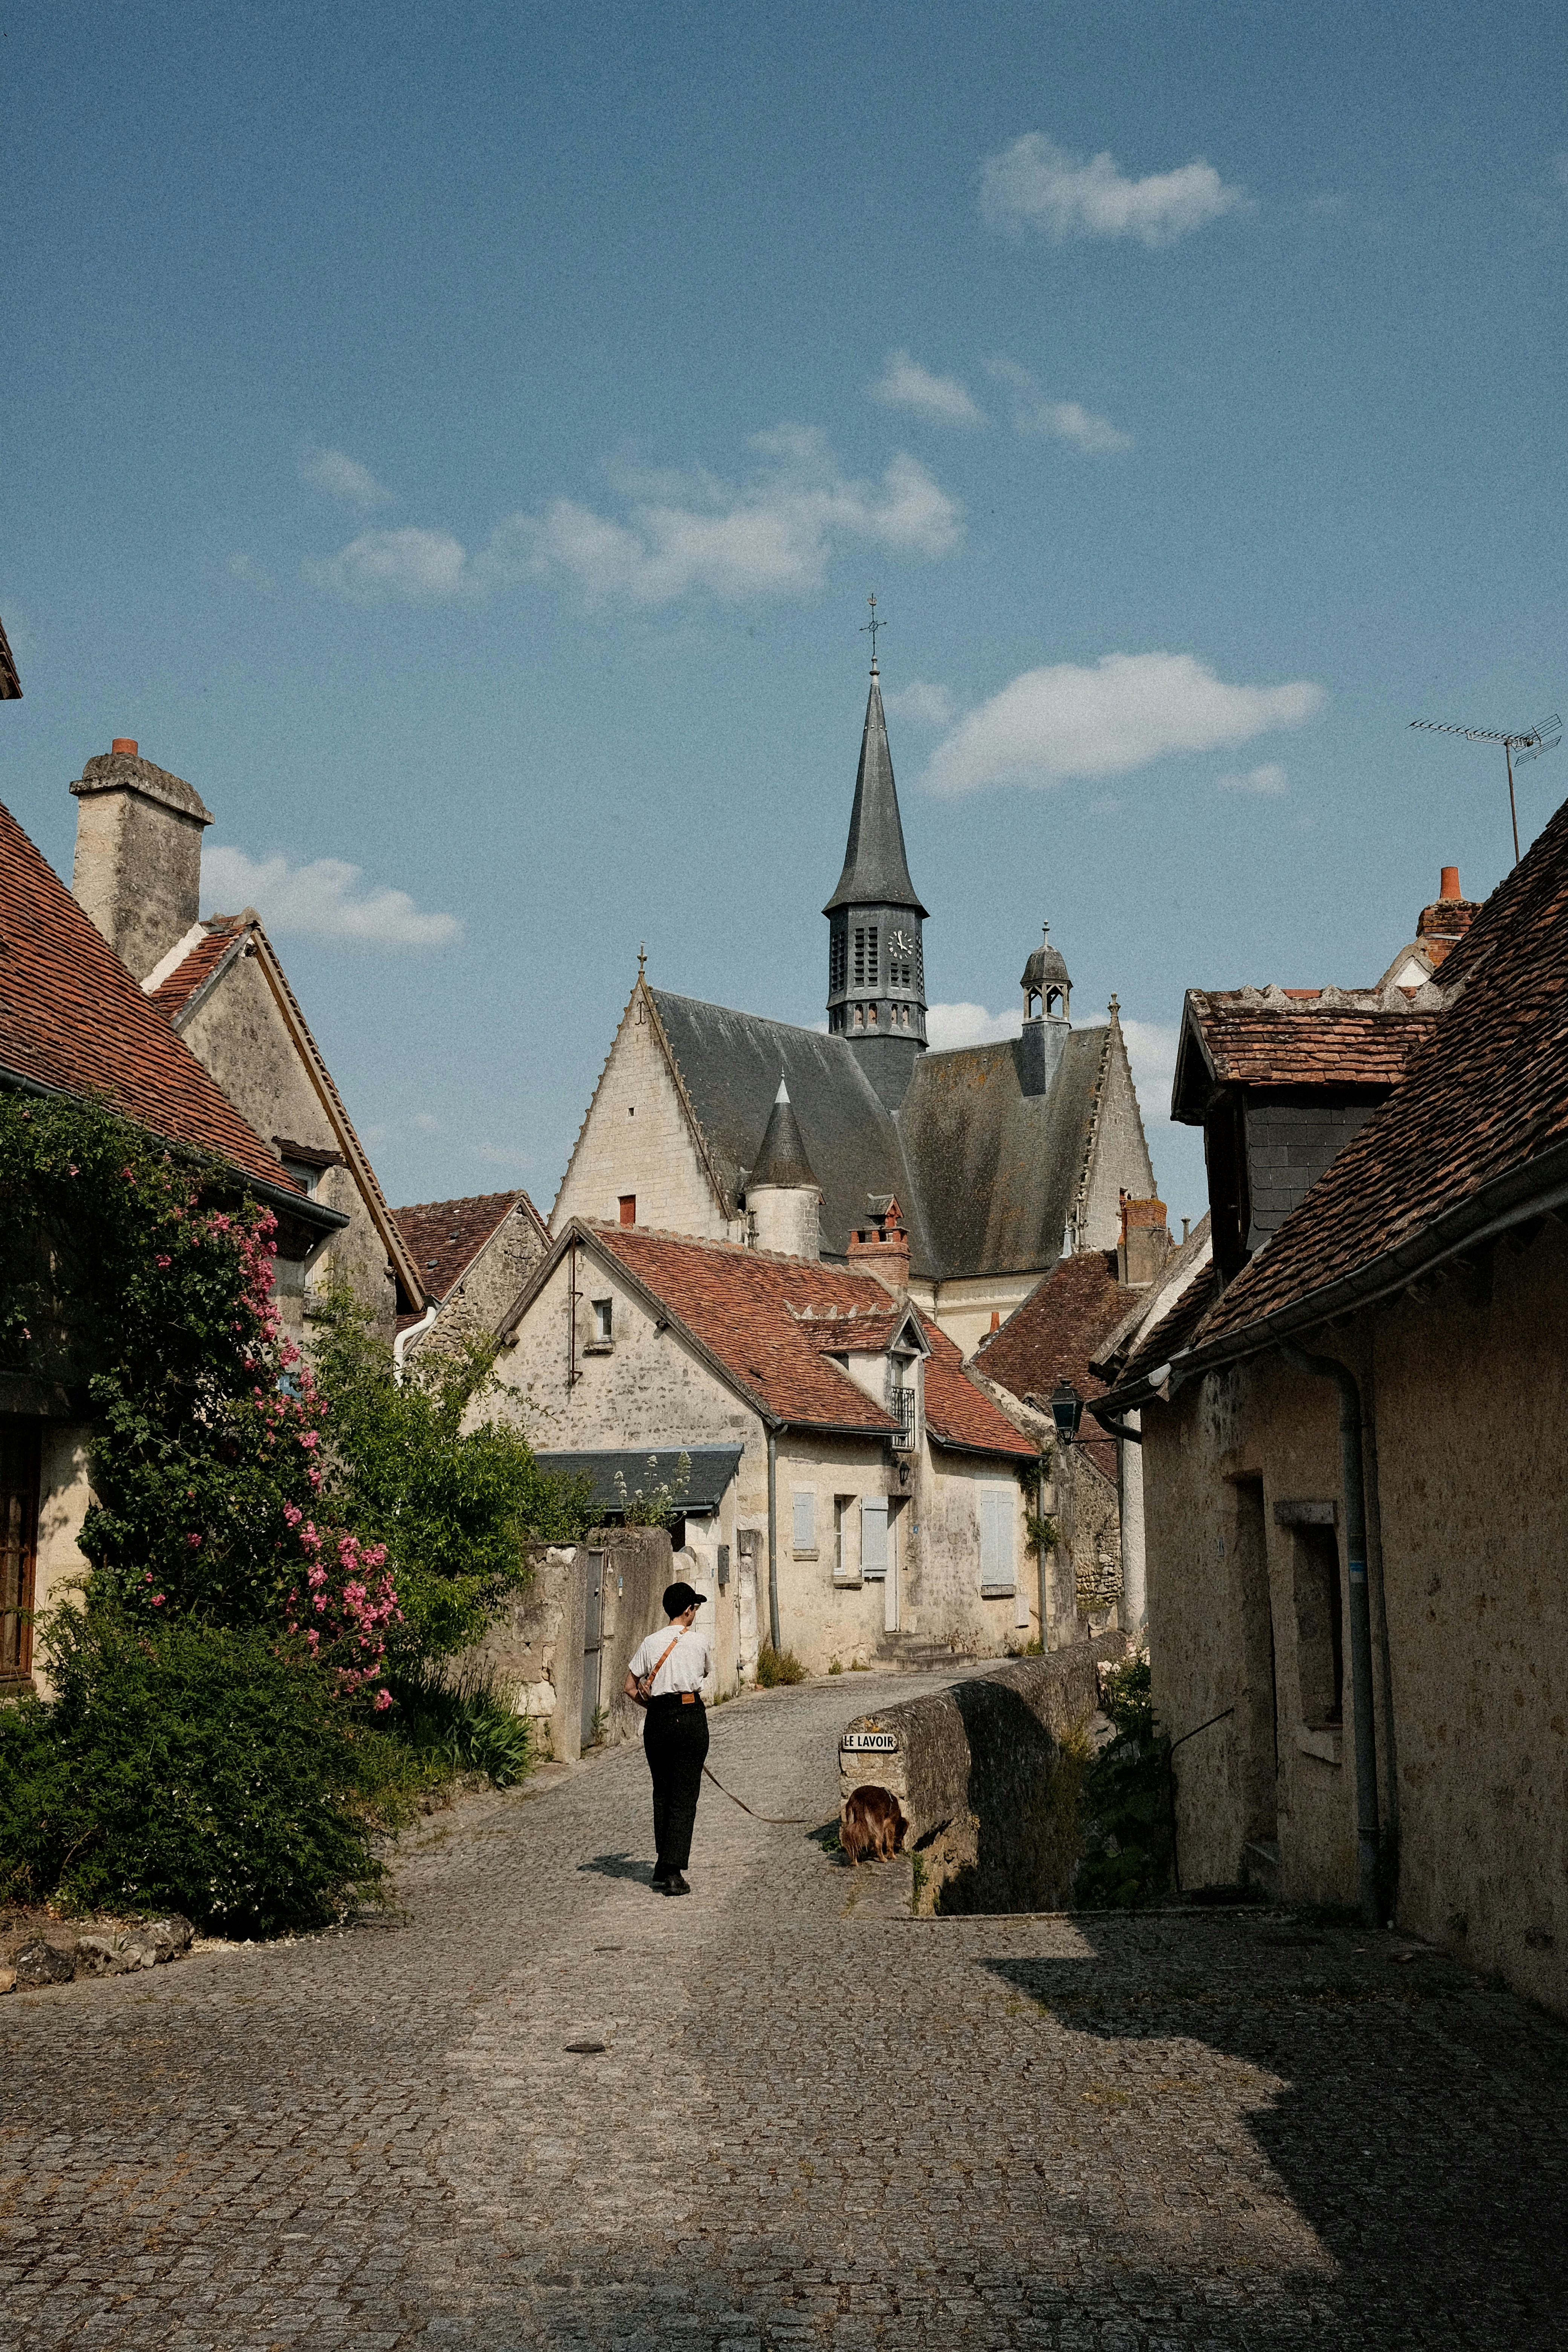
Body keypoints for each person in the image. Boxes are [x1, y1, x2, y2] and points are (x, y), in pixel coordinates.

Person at [624, 1580, 712, 1896]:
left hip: (658, 1720)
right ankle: (674, 1871)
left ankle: (663, 1865)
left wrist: (653, 1705)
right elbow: (703, 1674)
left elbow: (630, 1687)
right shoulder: (699, 1642)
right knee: (684, 1796)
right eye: (695, 1608)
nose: (695, 1613)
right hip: (689, 1716)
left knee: (662, 1792)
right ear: (688, 1611)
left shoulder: (649, 1643)